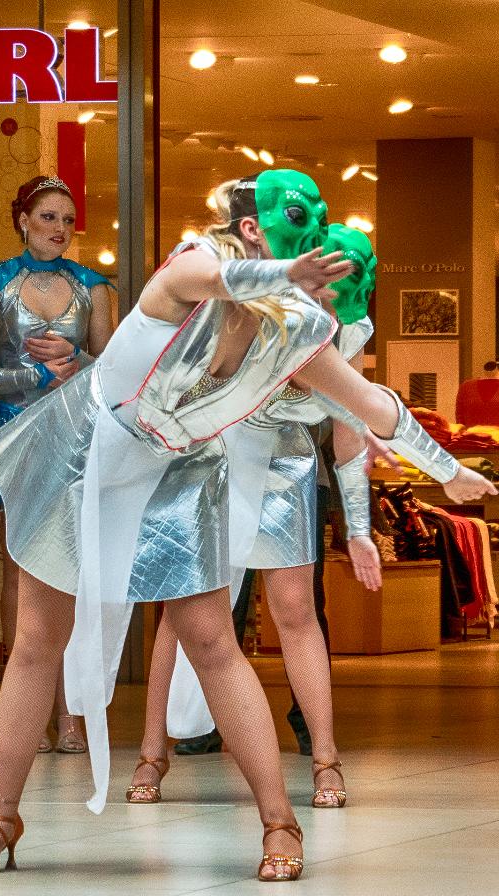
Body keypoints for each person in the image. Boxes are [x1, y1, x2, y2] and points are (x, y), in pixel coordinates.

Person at [0, 171, 494, 881]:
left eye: (319, 220)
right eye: (296, 220)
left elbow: (368, 401)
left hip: (180, 468)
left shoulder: (299, 327)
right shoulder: (188, 268)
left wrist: (443, 468)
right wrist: (281, 272)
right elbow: (221, 277)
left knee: (211, 638)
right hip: (86, 450)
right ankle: (1, 815)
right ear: (250, 233)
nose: (314, 236)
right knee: (36, 639)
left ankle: (279, 821)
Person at [128, 223, 381, 810]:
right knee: (181, 610)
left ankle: (325, 759)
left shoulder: (347, 328)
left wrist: (362, 529)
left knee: (295, 608)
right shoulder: (257, 294)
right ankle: (150, 752)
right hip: (211, 452)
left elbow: (348, 435)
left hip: (285, 467)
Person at [0, 175, 112, 753]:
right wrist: (29, 376)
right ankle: (24, 709)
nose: (60, 229)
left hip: (76, 435)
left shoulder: (94, 287)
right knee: (19, 572)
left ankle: (71, 713)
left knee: (76, 574)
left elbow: (114, 368)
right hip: (12, 435)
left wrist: (78, 360)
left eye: (68, 220)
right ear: (23, 220)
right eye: (49, 217)